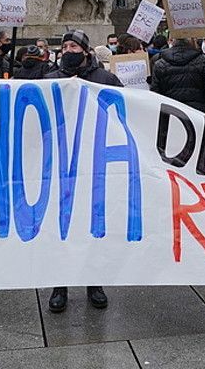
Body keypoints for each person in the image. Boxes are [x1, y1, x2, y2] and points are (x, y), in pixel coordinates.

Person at [42, 29, 120, 312]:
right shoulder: (50, 80)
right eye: (64, 46)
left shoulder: (106, 80)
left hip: (94, 161)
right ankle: (59, 286)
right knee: (60, 225)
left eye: (73, 45)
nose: (67, 50)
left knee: (93, 223)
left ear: (85, 51)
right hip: (60, 164)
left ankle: (94, 283)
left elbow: (122, 115)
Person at [151, 35, 205, 114]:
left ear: (172, 42)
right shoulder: (203, 61)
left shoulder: (160, 64)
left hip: (171, 112)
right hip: (198, 113)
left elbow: (155, 93)